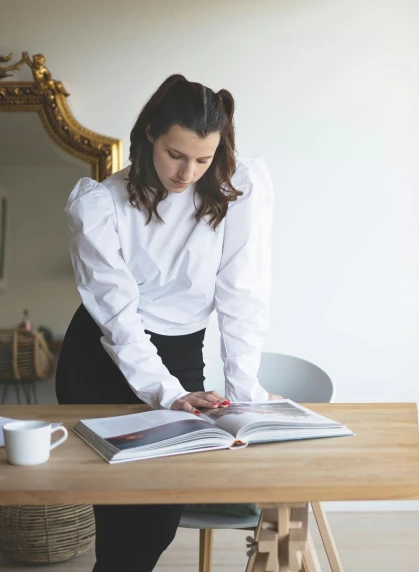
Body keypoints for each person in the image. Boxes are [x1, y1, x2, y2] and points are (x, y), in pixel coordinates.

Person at [55, 74, 282, 572]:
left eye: (203, 159)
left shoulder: (237, 189)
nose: (188, 172)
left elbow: (242, 293)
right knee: (120, 523)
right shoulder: (100, 205)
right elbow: (116, 316)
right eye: (176, 154)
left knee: (161, 511)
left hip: (181, 350)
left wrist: (243, 389)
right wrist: (166, 392)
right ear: (150, 134)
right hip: (102, 356)